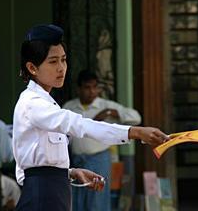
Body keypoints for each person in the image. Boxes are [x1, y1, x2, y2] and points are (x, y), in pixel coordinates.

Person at [12, 24, 169, 211]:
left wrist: (69, 173)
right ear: (32, 67)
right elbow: (78, 124)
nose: (61, 68)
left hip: (54, 192)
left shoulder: (46, 102)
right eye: (53, 62)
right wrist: (134, 132)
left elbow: (36, 165)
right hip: (42, 197)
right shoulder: (32, 103)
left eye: (63, 60)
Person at [62, 69, 141, 211]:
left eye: (95, 87)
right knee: (77, 200)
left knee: (98, 200)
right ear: (79, 89)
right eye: (87, 87)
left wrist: (111, 113)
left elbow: (136, 117)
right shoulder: (70, 107)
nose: (92, 91)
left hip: (99, 159)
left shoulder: (105, 105)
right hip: (77, 160)